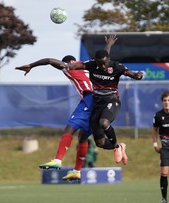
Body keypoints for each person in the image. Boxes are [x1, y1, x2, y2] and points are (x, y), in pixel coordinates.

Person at [15, 35, 119, 181]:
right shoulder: (91, 64)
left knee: (70, 128)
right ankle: (77, 170)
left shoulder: (70, 67)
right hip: (102, 101)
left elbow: (49, 61)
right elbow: (105, 57)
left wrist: (31, 65)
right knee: (84, 137)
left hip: (90, 99)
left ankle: (57, 159)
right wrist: (109, 45)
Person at [62, 49, 144, 165]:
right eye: (100, 63)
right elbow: (71, 65)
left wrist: (137, 75)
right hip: (97, 104)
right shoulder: (91, 65)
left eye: (104, 63)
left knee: (104, 122)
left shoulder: (116, 67)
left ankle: (116, 147)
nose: (102, 66)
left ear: (109, 60)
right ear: (96, 61)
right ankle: (120, 146)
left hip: (112, 100)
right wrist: (62, 65)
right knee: (99, 143)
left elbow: (130, 73)